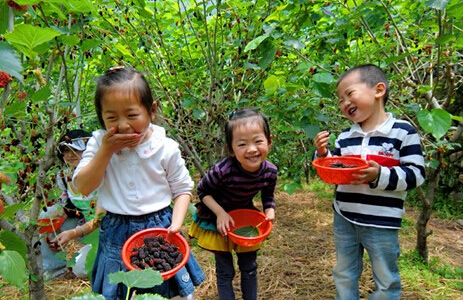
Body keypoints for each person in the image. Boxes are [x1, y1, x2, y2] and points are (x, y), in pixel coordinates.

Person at [68, 66, 205, 300]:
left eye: (132, 116)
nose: (122, 125)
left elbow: (183, 189)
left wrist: (176, 224)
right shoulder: (98, 143)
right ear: (101, 117)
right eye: (111, 117)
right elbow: (83, 186)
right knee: (121, 290)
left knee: (164, 287)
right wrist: (107, 150)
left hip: (160, 226)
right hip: (116, 230)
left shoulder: (165, 147)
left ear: (151, 111)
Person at [313, 64, 426, 300]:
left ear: (378, 90)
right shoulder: (345, 136)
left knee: (386, 278)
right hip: (344, 216)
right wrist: (323, 154)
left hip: (382, 221)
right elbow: (333, 169)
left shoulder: (402, 132)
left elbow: (416, 174)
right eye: (340, 100)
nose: (344, 103)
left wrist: (379, 175)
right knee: (344, 272)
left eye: (350, 94)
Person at [188, 108, 278, 300]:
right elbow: (203, 191)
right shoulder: (223, 171)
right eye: (242, 144)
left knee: (249, 267)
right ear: (231, 148)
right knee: (225, 269)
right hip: (217, 217)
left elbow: (268, 197)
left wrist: (269, 210)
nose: (252, 149)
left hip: (244, 217)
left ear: (269, 141)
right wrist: (220, 213)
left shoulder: (270, 172)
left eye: (258, 141)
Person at [40, 129, 97, 280]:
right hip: (83, 221)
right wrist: (55, 219)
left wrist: (73, 233)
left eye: (75, 150)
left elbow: (102, 217)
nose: (70, 155)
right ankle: (56, 271)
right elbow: (67, 203)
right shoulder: (64, 176)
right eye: (66, 151)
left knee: (81, 268)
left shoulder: (99, 174)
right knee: (45, 216)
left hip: (100, 227)